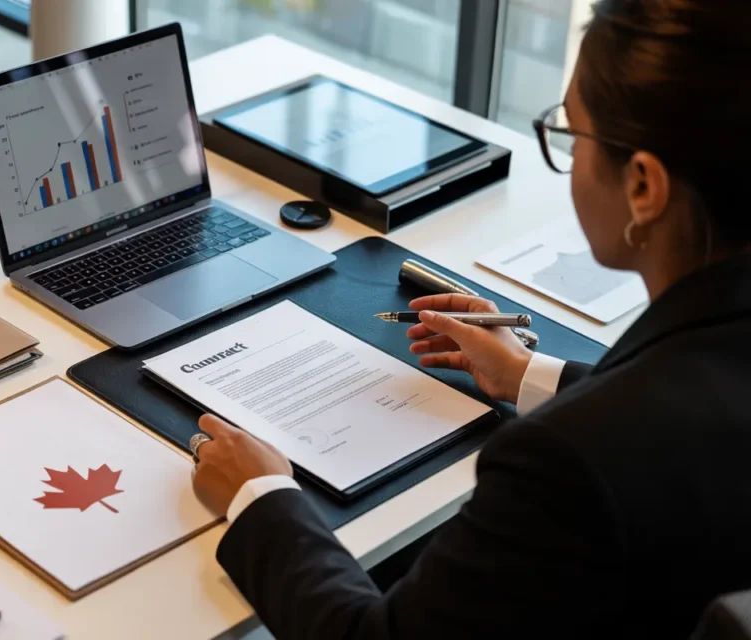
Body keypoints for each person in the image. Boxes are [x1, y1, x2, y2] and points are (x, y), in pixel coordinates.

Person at [189, 1, 751, 637]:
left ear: (644, 187)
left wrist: (259, 497)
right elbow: (683, 408)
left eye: (571, 137)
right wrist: (525, 375)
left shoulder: (560, 464)